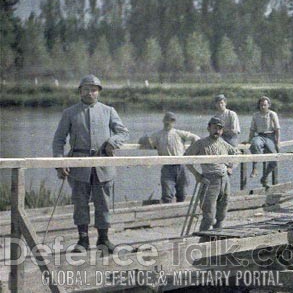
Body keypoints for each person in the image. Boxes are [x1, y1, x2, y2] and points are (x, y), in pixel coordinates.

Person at [52, 74, 129, 253]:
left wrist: (112, 142)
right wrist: (59, 162)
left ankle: (103, 239)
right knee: (80, 202)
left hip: (103, 164)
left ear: (99, 92)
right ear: (80, 91)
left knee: (103, 202)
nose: (90, 93)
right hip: (79, 165)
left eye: (93, 90)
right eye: (86, 89)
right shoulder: (70, 113)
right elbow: (58, 140)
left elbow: (123, 132)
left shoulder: (108, 111)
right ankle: (83, 240)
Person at [184, 117, 238, 231]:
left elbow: (237, 154)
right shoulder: (201, 143)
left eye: (219, 129)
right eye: (214, 128)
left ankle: (216, 239)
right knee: (209, 216)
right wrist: (196, 175)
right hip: (210, 181)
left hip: (224, 180)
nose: (217, 131)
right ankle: (202, 242)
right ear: (209, 128)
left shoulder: (223, 143)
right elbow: (186, 158)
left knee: (221, 214)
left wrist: (231, 167)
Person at [146, 112, 200, 203]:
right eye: (167, 120)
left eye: (171, 120)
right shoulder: (157, 135)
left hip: (181, 166)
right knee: (167, 195)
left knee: (182, 194)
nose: (168, 122)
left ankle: (180, 213)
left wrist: (189, 152)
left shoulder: (179, 133)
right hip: (167, 167)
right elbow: (147, 142)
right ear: (163, 121)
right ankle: (167, 213)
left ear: (174, 122)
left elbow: (196, 138)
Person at [245, 96, 280, 188]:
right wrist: (249, 140)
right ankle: (255, 168)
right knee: (254, 144)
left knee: (274, 160)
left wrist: (277, 142)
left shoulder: (272, 114)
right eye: (261, 105)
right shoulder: (256, 115)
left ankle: (264, 177)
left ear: (268, 105)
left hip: (270, 136)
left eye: (265, 105)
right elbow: (252, 129)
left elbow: (277, 129)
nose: (263, 107)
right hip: (260, 136)